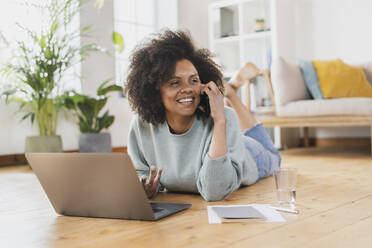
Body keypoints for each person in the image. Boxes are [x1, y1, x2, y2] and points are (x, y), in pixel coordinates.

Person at [124, 30, 281, 202]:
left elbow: (215, 191)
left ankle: (231, 95)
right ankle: (230, 88)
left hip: (247, 154)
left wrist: (220, 120)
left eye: (194, 80)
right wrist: (144, 187)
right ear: (154, 90)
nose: (188, 89)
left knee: (275, 158)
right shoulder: (141, 124)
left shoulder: (225, 119)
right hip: (228, 139)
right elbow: (140, 173)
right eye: (175, 82)